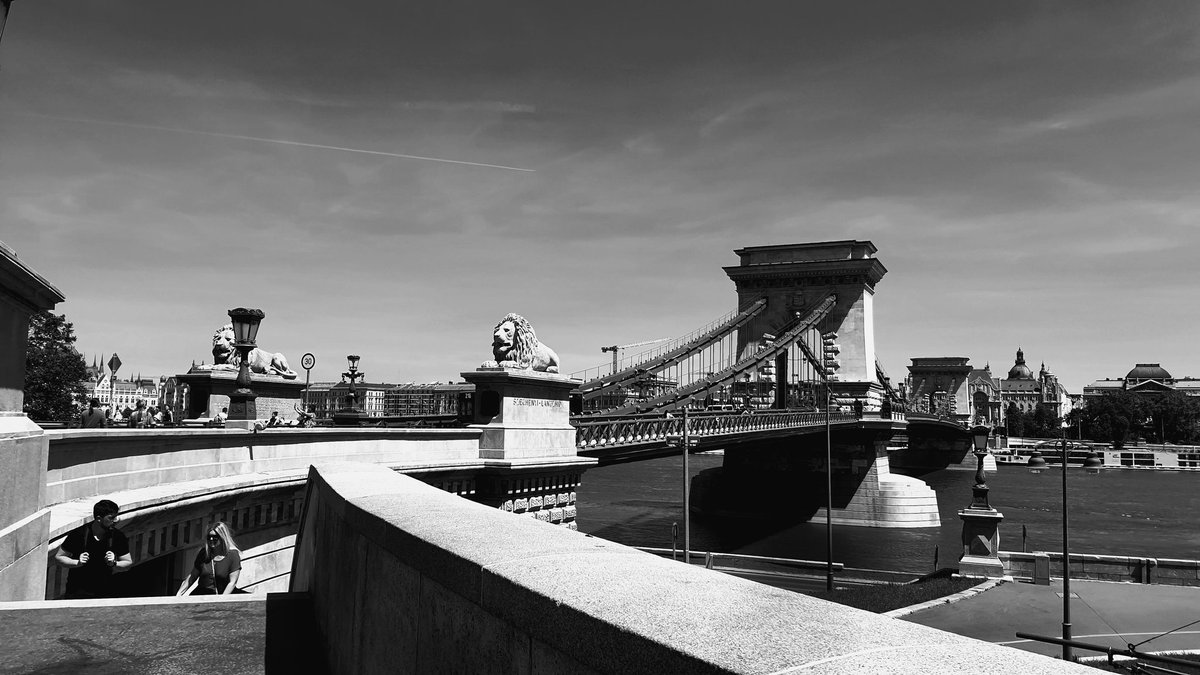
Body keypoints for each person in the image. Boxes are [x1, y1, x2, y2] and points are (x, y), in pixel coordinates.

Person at [55, 499, 132, 599]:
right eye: (111, 518)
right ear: (99, 518)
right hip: (77, 593)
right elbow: (59, 557)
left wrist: (114, 563)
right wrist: (77, 562)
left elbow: (128, 563)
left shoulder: (117, 536)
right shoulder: (79, 534)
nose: (115, 520)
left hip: (104, 593)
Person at [177, 522, 242, 596]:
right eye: (209, 537)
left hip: (223, 596)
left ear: (222, 537)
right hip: (202, 595)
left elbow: (232, 583)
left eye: (215, 537)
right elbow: (192, 576)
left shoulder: (233, 555)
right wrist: (179, 594)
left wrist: (221, 601)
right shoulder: (204, 553)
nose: (211, 539)